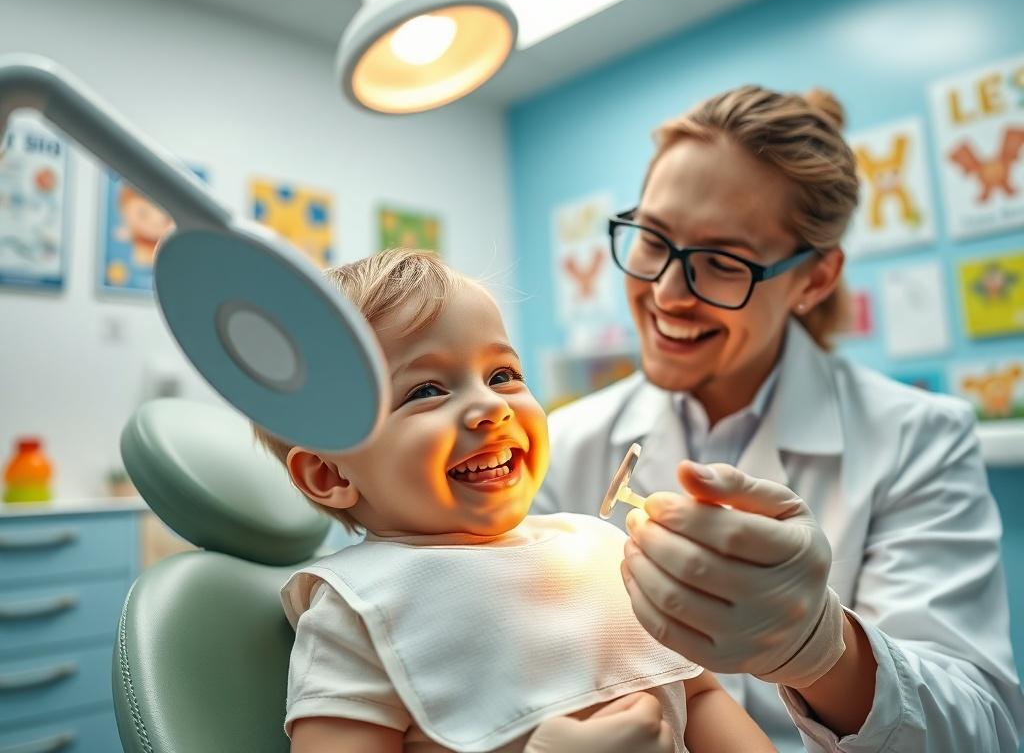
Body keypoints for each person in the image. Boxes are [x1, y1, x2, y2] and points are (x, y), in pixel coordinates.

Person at [534, 85, 1024, 752]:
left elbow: (985, 731)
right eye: (652, 239)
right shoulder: (567, 443)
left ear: (814, 280)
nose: (666, 294)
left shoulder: (919, 436)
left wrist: (823, 651)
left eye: (720, 262)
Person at [253, 249, 776, 753]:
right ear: (327, 473)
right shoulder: (358, 612)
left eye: (502, 375)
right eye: (426, 391)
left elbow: (701, 696)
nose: (491, 407)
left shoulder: (598, 550)